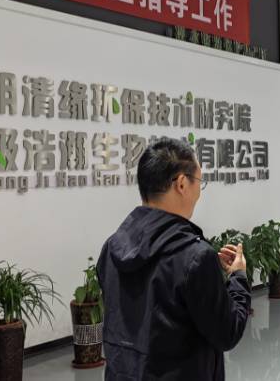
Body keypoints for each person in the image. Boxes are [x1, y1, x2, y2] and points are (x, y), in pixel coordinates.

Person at [97, 139, 251, 381]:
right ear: (181, 183)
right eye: (199, 182)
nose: (199, 192)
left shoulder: (111, 248)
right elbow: (227, 333)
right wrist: (238, 276)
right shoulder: (195, 257)